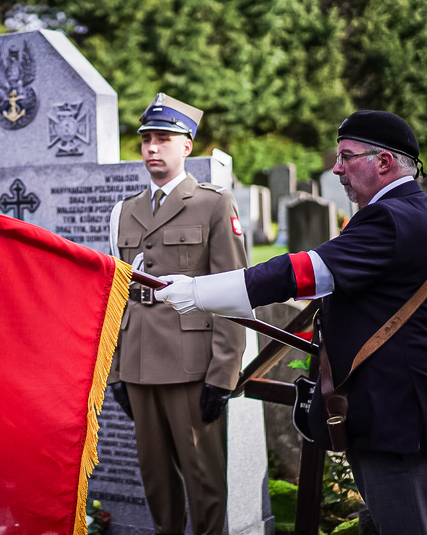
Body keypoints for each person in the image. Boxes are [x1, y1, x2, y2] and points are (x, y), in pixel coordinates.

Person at [155, 110, 427, 535]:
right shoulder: (411, 210)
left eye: (346, 156)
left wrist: (196, 293)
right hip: (394, 417)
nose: (336, 168)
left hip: (402, 424)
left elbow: (304, 272)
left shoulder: (394, 217)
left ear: (384, 162)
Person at [107, 93, 247, 535]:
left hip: (192, 367)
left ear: (186, 146)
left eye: (163, 139)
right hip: (138, 366)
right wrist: (114, 373)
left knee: (204, 483)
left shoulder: (212, 203)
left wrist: (223, 375)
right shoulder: (123, 211)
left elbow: (233, 295)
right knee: (156, 482)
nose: (151, 148)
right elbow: (117, 297)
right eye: (146, 139)